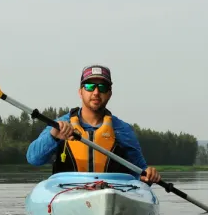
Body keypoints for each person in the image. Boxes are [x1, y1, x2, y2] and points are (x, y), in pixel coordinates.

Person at [26, 65, 162, 184]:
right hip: (67, 192)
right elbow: (33, 158)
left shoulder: (122, 130)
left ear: (109, 94)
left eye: (102, 87)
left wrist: (147, 175)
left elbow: (140, 171)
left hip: (112, 192)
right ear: (80, 92)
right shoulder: (60, 125)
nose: (96, 92)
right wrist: (54, 136)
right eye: (90, 86)